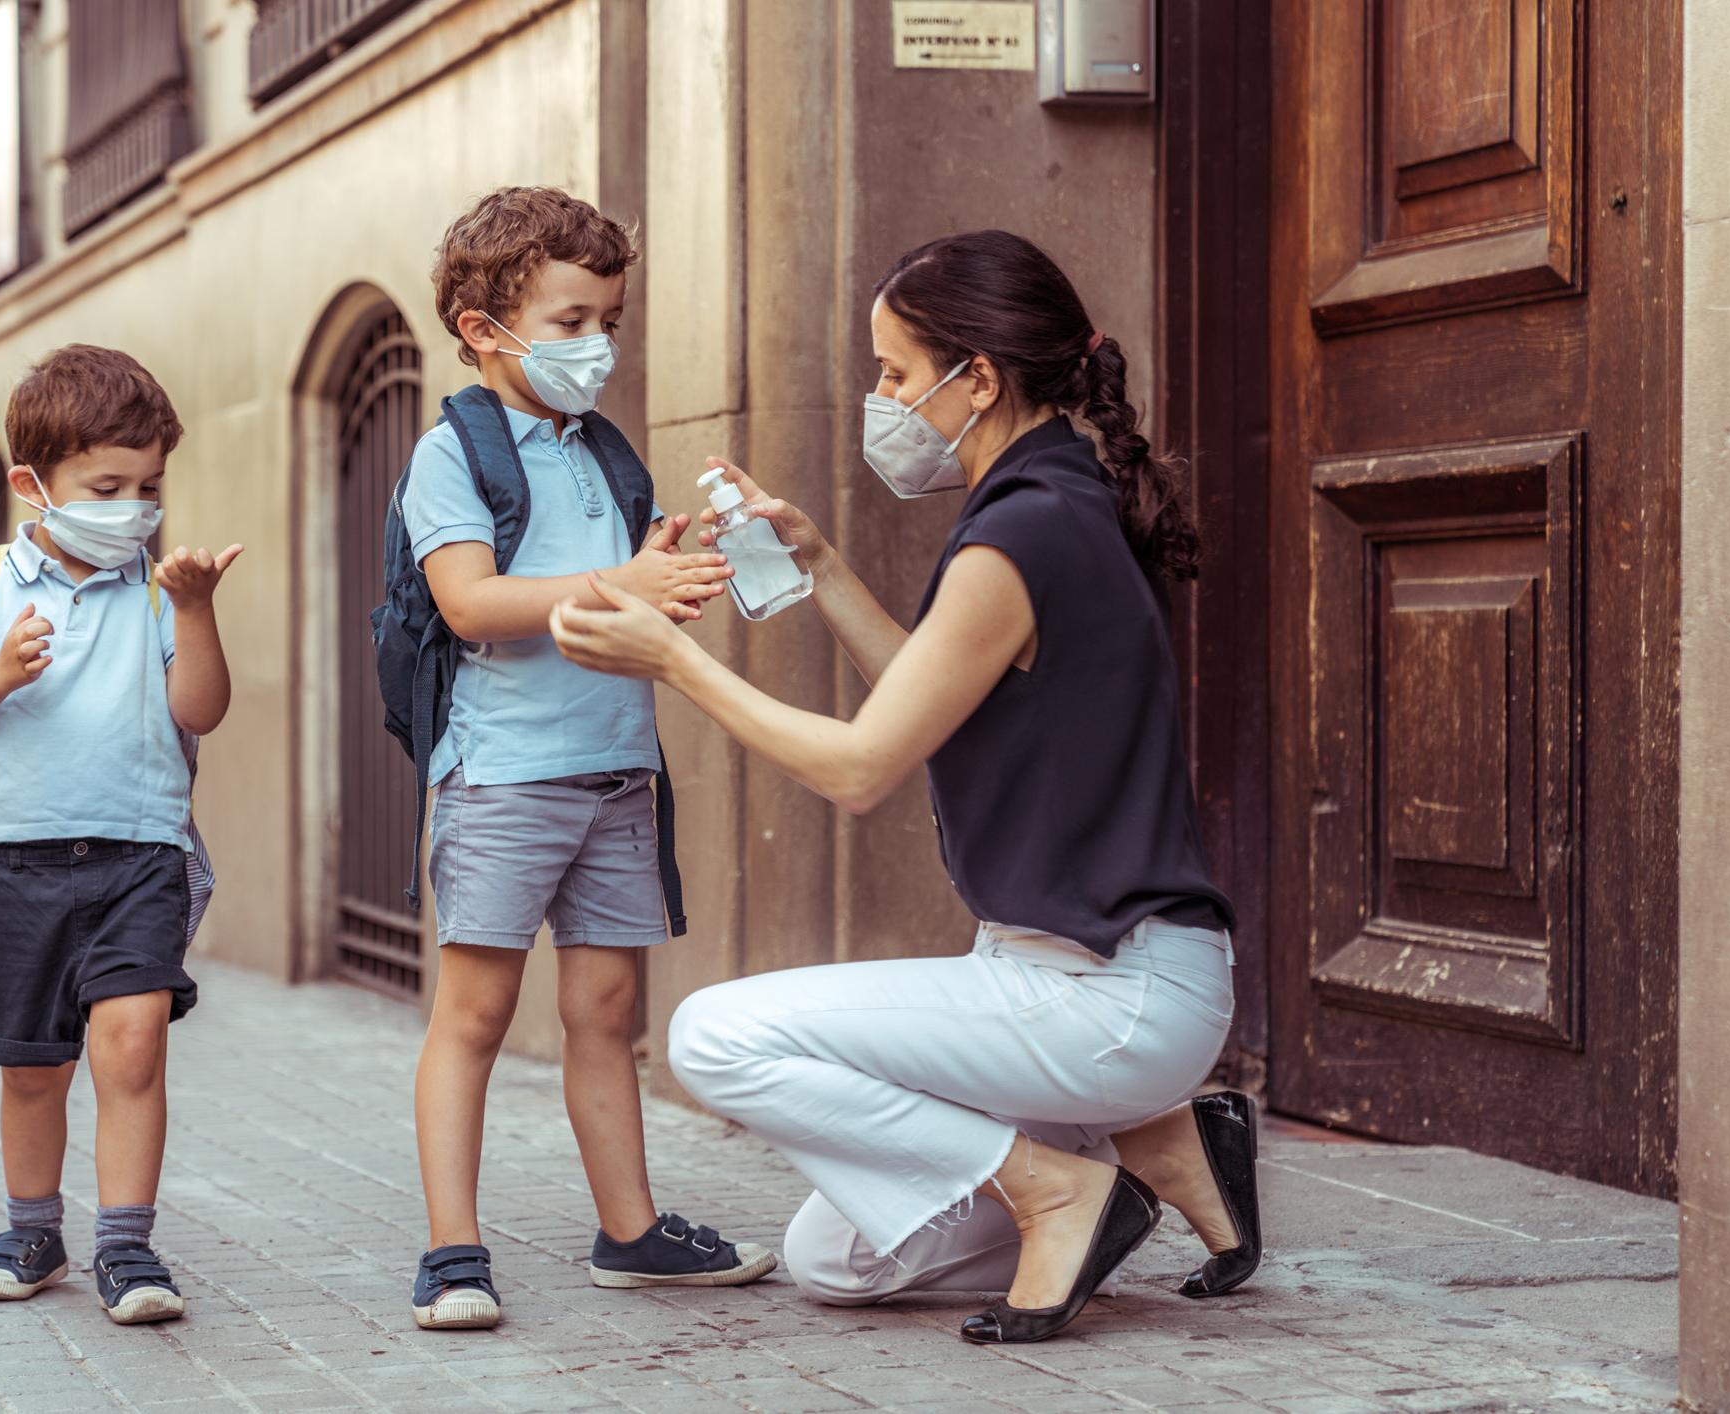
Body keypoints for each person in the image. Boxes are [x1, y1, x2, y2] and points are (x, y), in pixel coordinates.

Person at [547, 230, 1263, 1344]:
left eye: (892, 372)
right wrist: (823, 566)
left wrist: (672, 662)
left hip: (1105, 992)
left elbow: (862, 764)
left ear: (976, 377)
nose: (880, 398)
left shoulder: (1017, 535)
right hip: (1087, 984)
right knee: (835, 1259)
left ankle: (1058, 1184)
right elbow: (932, 702)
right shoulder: (1055, 498)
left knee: (712, 1037)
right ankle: (1149, 1138)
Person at [399, 188, 777, 1332]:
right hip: (505, 770)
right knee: (472, 1013)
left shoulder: (602, 451)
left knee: (605, 1009)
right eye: (568, 321)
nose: (594, 344)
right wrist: (622, 582)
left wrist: (665, 564)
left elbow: (616, 604)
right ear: (483, 328)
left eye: (607, 318)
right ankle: (452, 1252)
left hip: (616, 768)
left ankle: (631, 1231)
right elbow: (470, 603)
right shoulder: (450, 453)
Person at [0, 345, 240, 1325]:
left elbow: (203, 708)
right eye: (106, 485)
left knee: (131, 1044)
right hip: (17, 857)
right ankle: (31, 1229)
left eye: (149, 486)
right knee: (33, 1063)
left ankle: (126, 1245)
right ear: (31, 484)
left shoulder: (156, 588)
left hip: (141, 852)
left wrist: (197, 609)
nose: (132, 506)